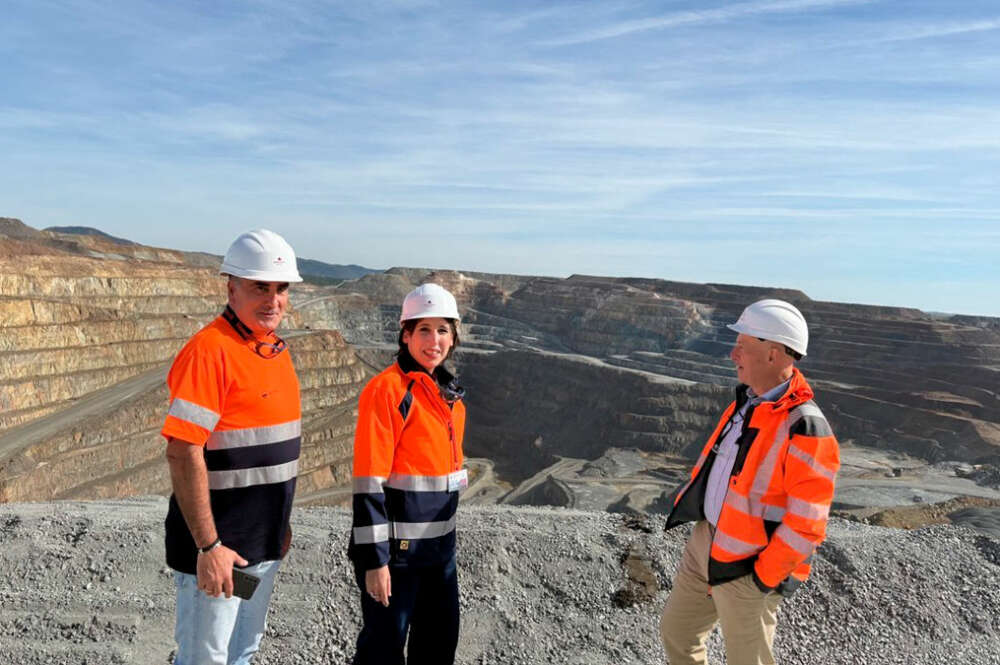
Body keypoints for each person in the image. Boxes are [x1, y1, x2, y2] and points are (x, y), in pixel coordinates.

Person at [660, 299, 840, 665]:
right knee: (677, 635)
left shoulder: (805, 426)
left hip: (749, 567)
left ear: (773, 354)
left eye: (742, 346)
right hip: (706, 545)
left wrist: (762, 578)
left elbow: (808, 524)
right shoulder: (747, 402)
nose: (732, 354)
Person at [162, 229, 303, 665]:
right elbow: (183, 450)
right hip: (221, 555)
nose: (273, 299)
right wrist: (208, 548)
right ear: (232, 288)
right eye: (260, 286)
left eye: (281, 288)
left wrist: (278, 526)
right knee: (205, 658)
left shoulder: (272, 351)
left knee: (242, 651)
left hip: (260, 549)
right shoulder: (210, 351)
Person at [349, 282, 468, 665]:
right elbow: (369, 481)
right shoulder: (387, 391)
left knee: (437, 649)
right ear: (405, 335)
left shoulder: (450, 399)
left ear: (453, 337)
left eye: (443, 330)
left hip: (438, 556)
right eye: (424, 330)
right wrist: (374, 562)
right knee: (382, 653)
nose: (434, 340)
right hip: (396, 560)